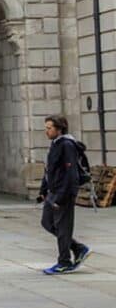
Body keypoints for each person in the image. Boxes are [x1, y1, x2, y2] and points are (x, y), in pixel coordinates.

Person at [38, 114, 91, 274]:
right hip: (53, 192)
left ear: (59, 129)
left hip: (64, 193)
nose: (46, 131)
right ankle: (79, 248)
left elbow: (71, 174)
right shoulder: (55, 144)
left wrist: (60, 198)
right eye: (46, 128)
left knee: (63, 228)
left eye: (49, 128)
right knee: (47, 222)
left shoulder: (67, 144)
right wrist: (43, 190)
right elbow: (50, 170)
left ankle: (64, 262)